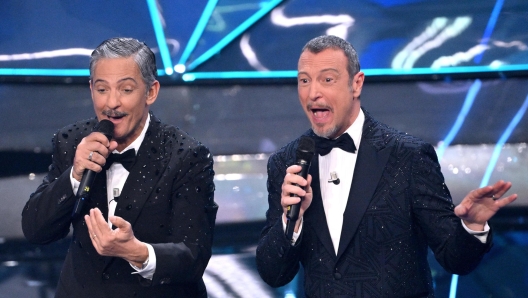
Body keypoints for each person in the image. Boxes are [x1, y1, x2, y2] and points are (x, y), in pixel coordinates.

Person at [255, 35, 517, 298]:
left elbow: (455, 260)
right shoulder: (287, 163)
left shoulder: (409, 156)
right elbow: (273, 273)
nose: (313, 93)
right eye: (304, 81)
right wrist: (293, 219)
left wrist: (471, 226)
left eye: (327, 80)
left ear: (356, 84)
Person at [22, 37, 218, 298]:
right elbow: (36, 230)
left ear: (151, 92)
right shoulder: (71, 142)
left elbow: (194, 255)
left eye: (125, 90)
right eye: (102, 89)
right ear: (91, 89)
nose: (111, 103)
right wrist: (74, 175)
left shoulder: (187, 156)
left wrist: (136, 252)